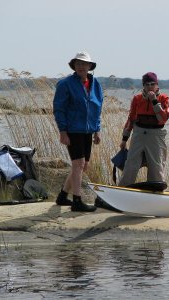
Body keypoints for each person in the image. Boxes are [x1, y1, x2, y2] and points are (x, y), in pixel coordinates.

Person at [53, 51, 103, 212]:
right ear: (74, 66)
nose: (81, 66)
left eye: (84, 63)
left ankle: (62, 196)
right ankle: (77, 201)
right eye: (78, 63)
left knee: (83, 165)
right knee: (78, 164)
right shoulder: (65, 84)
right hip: (72, 130)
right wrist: (63, 131)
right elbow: (59, 109)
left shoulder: (96, 84)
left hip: (88, 131)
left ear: (90, 66)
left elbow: (97, 108)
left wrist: (97, 130)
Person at [118, 72, 169, 187]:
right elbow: (131, 119)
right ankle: (124, 189)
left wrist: (154, 101)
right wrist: (124, 139)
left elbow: (163, 119)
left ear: (157, 85)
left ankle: (156, 192)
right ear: (143, 86)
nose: (150, 87)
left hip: (156, 136)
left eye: (152, 84)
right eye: (147, 84)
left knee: (156, 167)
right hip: (138, 135)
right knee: (130, 166)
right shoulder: (137, 99)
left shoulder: (165, 99)